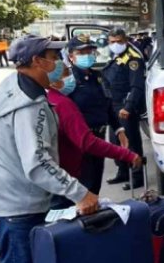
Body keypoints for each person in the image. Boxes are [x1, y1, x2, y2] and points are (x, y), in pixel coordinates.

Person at [0, 35, 100, 263]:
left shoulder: (13, 86)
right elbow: (37, 163)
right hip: (14, 213)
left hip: (13, 206)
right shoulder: (28, 105)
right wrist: (81, 194)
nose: (59, 62)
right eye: (53, 56)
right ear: (37, 61)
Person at [47, 65, 143, 209]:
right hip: (74, 162)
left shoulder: (48, 98)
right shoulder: (62, 103)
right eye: (66, 74)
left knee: (91, 192)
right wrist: (127, 155)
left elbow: (106, 104)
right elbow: (87, 142)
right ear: (54, 80)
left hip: (76, 157)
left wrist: (118, 129)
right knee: (80, 205)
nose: (70, 78)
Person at [66, 34, 129, 195]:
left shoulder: (98, 77)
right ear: (71, 57)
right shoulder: (68, 80)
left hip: (99, 139)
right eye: (81, 53)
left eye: (90, 51)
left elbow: (107, 105)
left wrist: (118, 130)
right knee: (82, 189)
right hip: (80, 142)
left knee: (95, 185)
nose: (87, 56)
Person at [102, 28, 146, 190]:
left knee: (131, 142)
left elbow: (137, 86)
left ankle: (137, 176)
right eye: (112, 42)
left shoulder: (133, 59)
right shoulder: (114, 56)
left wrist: (128, 107)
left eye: (119, 41)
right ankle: (122, 171)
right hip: (113, 104)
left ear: (125, 40)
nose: (115, 45)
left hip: (125, 105)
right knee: (115, 141)